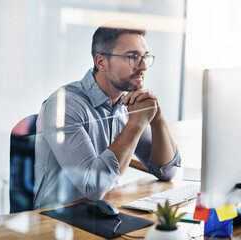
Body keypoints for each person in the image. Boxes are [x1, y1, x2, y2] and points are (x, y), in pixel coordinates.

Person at [33, 20, 181, 210]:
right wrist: (135, 124)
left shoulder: (127, 105)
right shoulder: (64, 106)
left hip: (103, 214)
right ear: (101, 62)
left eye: (145, 57)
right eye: (132, 57)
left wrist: (157, 119)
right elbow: (93, 187)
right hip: (57, 223)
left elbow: (167, 171)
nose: (143, 66)